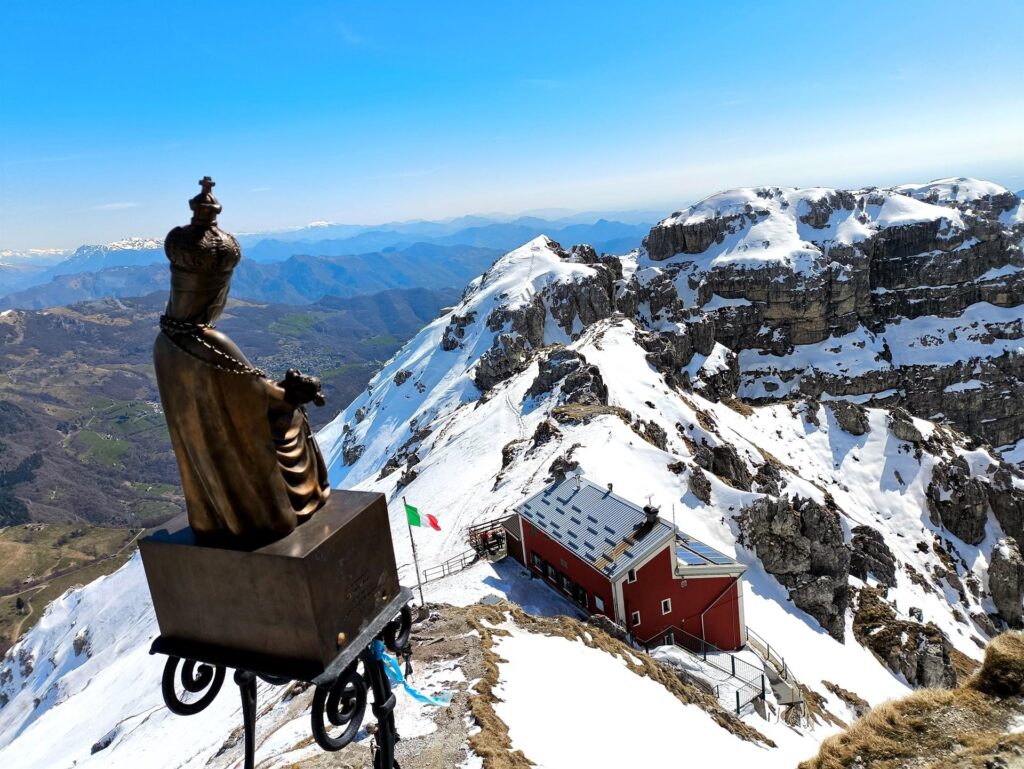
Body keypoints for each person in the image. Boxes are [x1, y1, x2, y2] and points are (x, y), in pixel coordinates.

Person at [153, 178, 330, 546]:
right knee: (292, 421)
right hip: (255, 496)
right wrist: (291, 394)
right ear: (214, 290)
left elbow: (238, 391)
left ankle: (218, 518)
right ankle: (283, 509)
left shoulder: (166, 338)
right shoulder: (211, 341)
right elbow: (258, 399)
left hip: (210, 486)